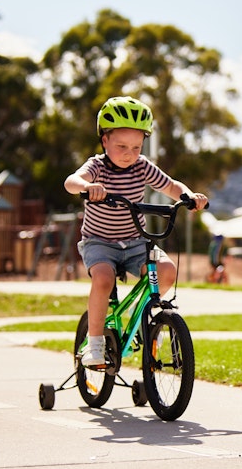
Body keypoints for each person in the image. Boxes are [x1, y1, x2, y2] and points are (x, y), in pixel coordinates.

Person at [64, 96, 208, 366]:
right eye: (120, 146)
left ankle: (146, 323)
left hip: (135, 241)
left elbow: (171, 186)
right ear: (104, 140)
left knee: (166, 272)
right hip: (100, 242)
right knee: (104, 280)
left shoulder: (141, 166)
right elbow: (71, 182)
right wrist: (87, 187)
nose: (129, 153)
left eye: (136, 146)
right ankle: (94, 343)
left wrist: (189, 195)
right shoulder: (97, 166)